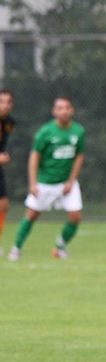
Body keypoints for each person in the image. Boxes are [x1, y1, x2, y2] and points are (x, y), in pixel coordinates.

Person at [7, 96, 85, 261]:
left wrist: (71, 180)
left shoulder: (78, 131)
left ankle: (60, 247)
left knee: (75, 216)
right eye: (60, 108)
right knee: (32, 215)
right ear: (54, 111)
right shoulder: (45, 132)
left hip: (66, 184)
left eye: (67, 107)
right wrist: (33, 183)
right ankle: (16, 248)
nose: (64, 111)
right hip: (45, 183)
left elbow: (79, 156)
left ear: (72, 110)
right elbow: (34, 157)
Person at [0, 89, 15, 256]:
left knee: (3, 205)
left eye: (8, 102)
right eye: (1, 101)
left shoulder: (9, 122)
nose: (4, 105)